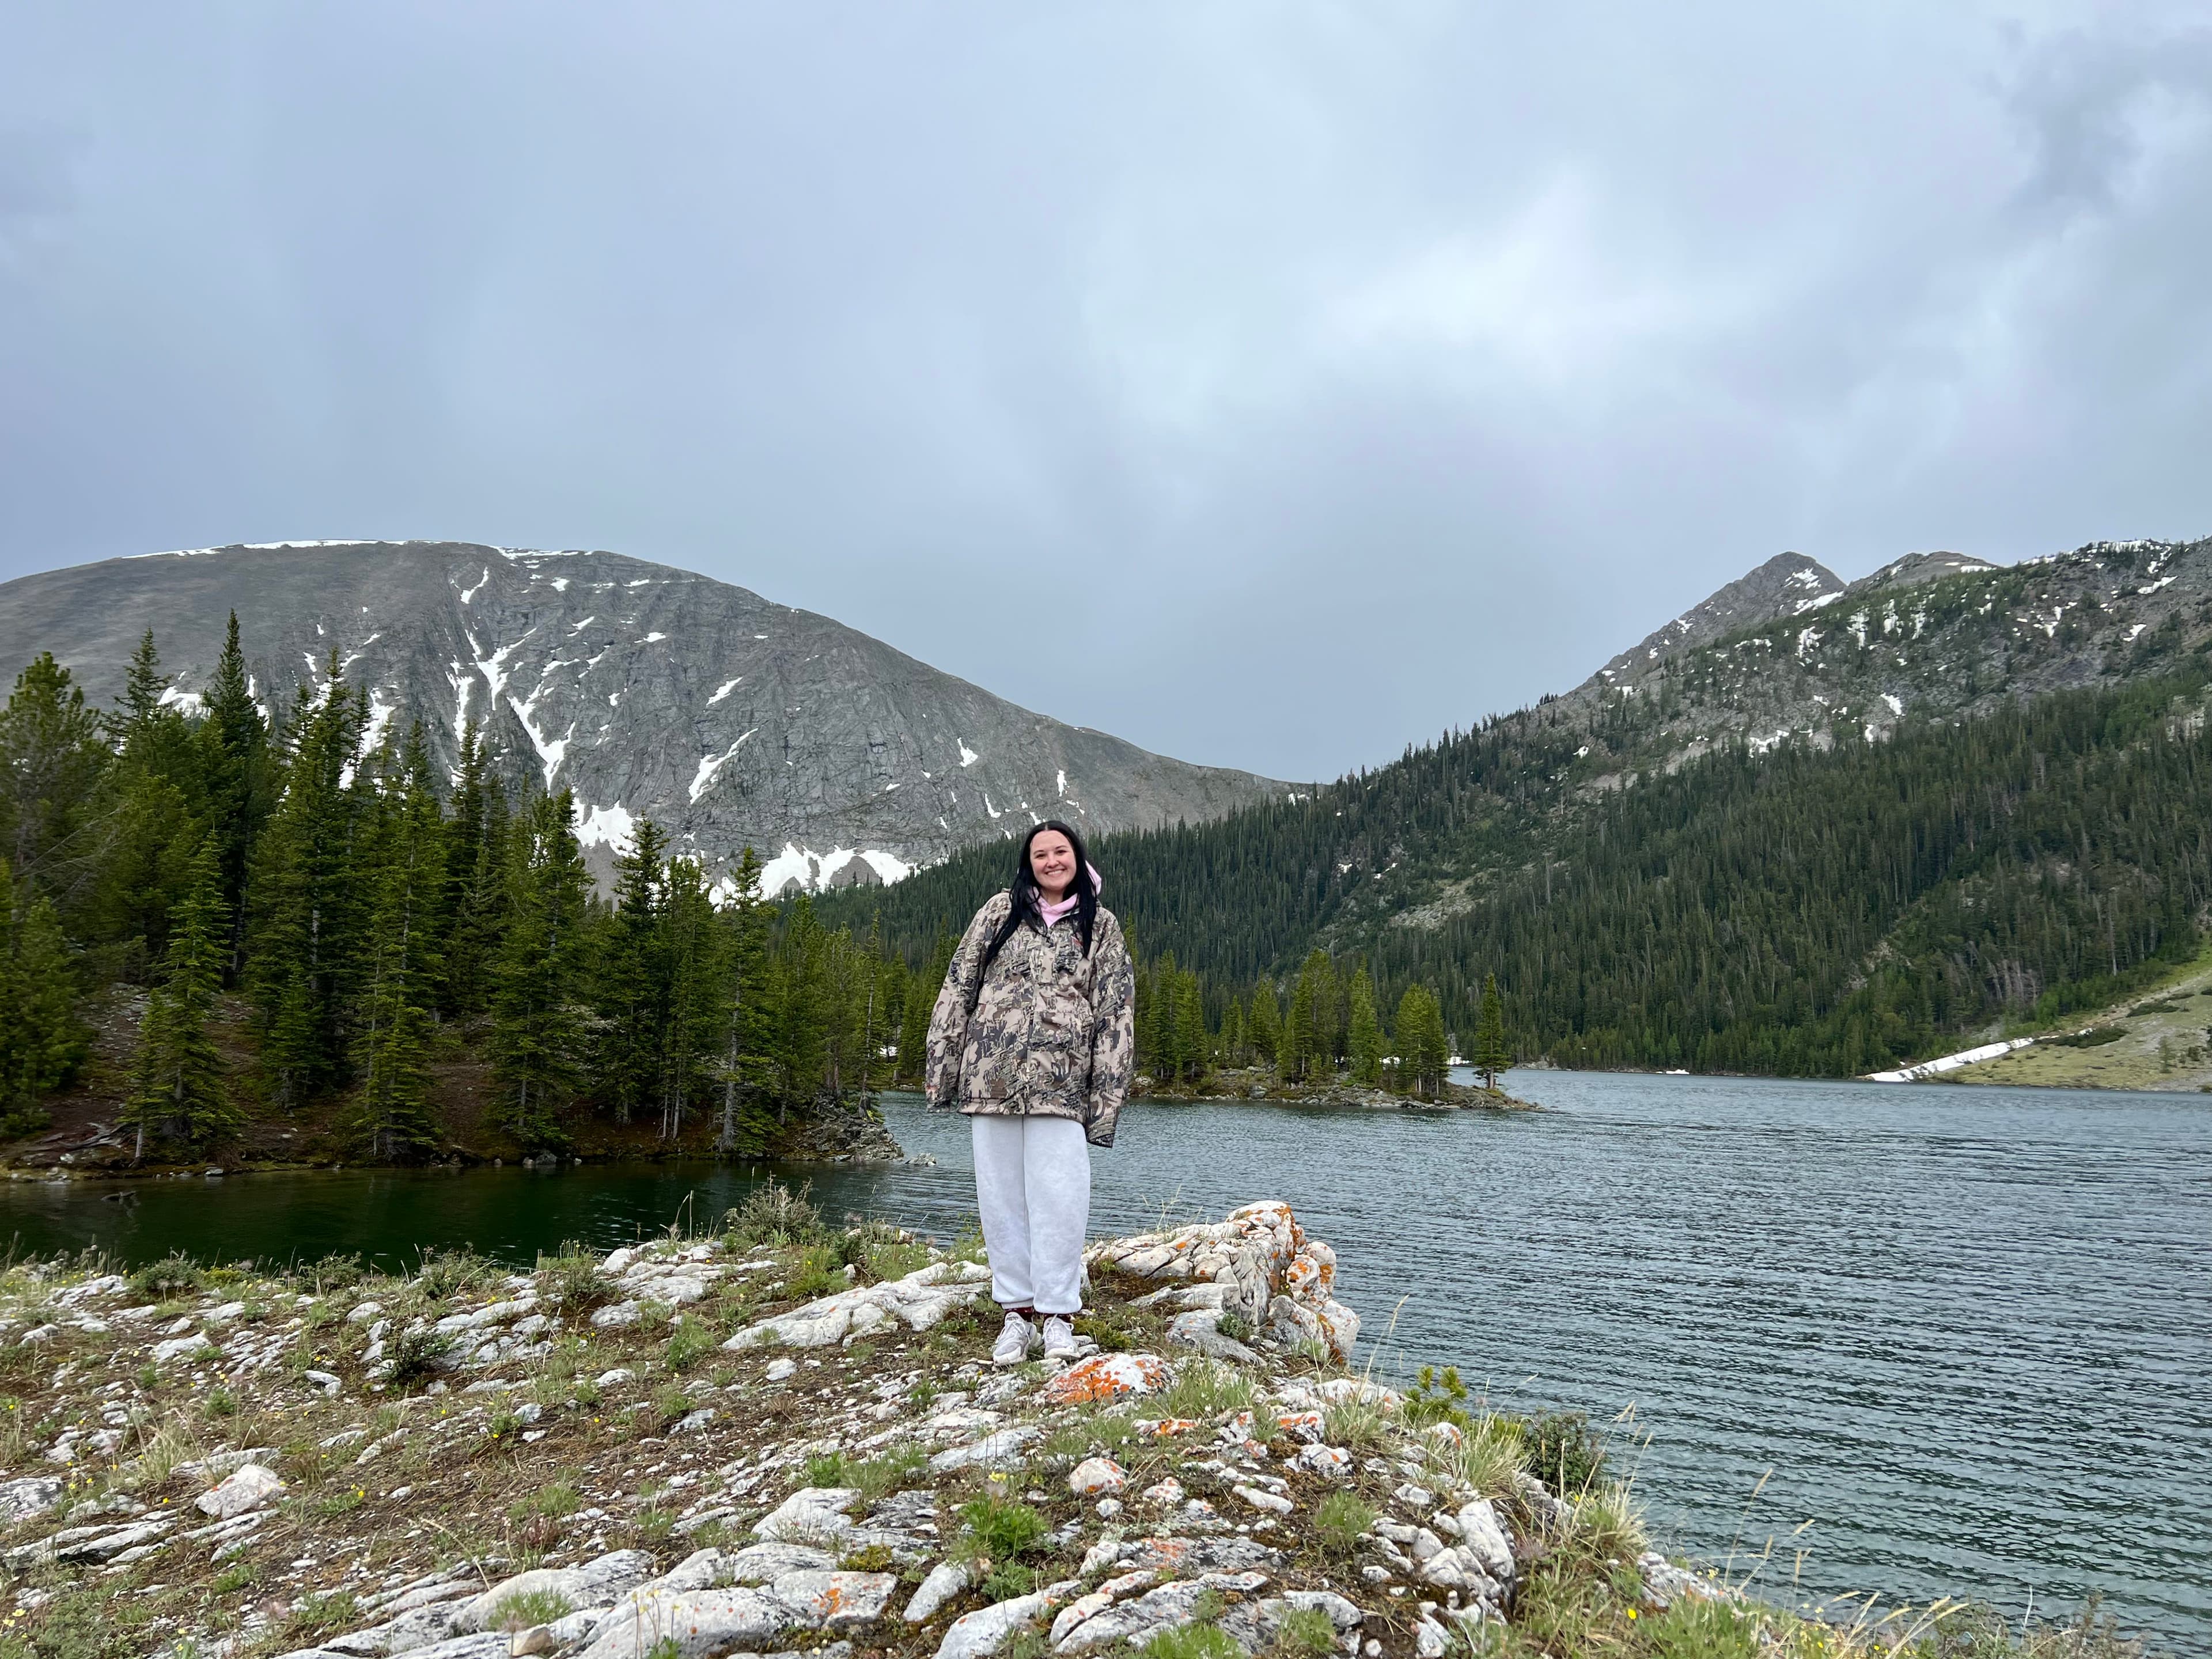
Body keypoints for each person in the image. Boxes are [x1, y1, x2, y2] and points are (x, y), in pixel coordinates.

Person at [926, 819, 1135, 1365]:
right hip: (989, 1079)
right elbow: (958, 986)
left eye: (1059, 852)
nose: (1050, 862)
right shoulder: (998, 912)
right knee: (1000, 1202)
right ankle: (1015, 1317)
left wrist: (1105, 1103)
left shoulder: (1101, 925)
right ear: (1029, 862)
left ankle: (1059, 1318)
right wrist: (941, 1070)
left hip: (1061, 1087)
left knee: (1061, 1201)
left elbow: (1116, 1015)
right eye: (1040, 854)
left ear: (1076, 857)